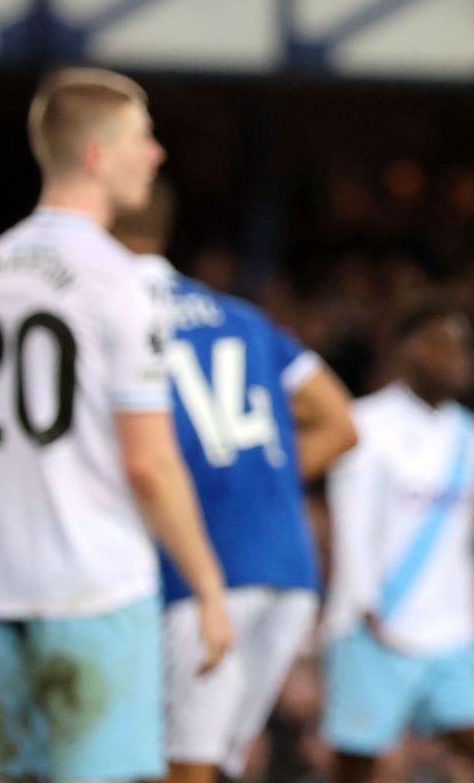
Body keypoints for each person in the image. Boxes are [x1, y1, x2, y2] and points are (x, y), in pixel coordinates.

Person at [0, 68, 230, 782]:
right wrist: (207, 587)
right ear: (99, 155)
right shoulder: (121, 281)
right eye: (143, 137)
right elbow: (149, 463)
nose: (157, 154)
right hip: (95, 591)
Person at [112, 179, 358, 783]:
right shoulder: (242, 318)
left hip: (206, 569)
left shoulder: (113, 316)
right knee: (214, 759)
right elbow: (341, 422)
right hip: (290, 572)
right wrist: (262, 474)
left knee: (179, 762)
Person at [320, 301, 474, 783]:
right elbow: (351, 522)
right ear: (409, 350)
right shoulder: (364, 423)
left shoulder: (473, 436)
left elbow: (458, 540)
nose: (460, 357)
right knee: (356, 767)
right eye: (445, 344)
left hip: (451, 634)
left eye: (464, 346)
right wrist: (363, 603)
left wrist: (473, 619)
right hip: (374, 624)